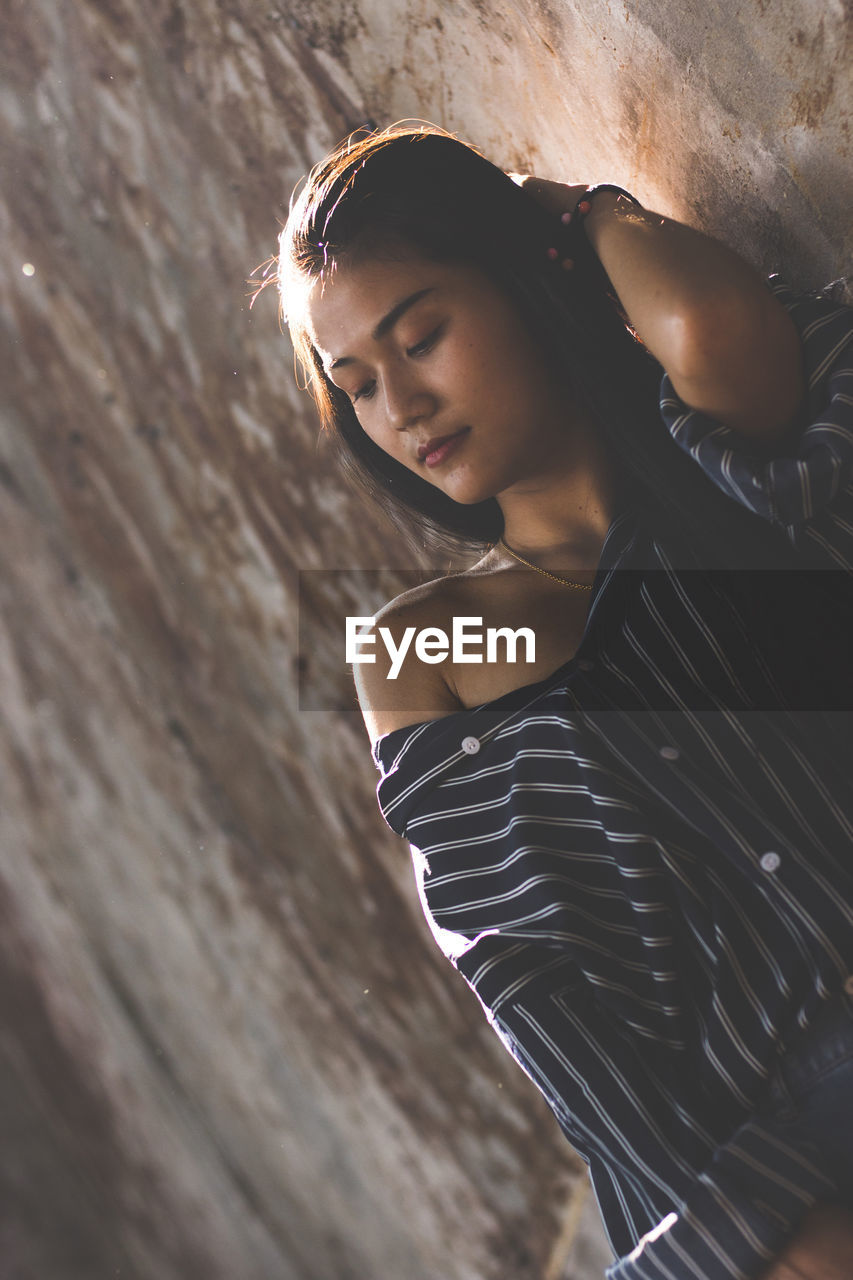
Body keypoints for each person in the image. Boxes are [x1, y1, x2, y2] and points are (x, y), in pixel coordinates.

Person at [271, 122, 853, 1278]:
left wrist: (579, 219)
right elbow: (536, 985)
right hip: (755, 1151)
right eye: (359, 386)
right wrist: (770, 1241)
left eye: (421, 335)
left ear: (520, 275)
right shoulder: (430, 644)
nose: (403, 407)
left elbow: (709, 334)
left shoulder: (722, 456)